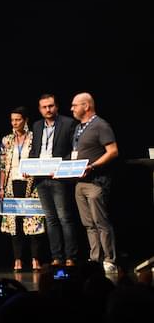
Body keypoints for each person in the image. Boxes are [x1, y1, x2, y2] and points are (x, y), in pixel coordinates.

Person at [70, 92, 119, 273]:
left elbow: (113, 151)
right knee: (88, 223)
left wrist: (94, 166)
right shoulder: (78, 128)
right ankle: (95, 258)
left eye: (75, 105)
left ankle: (109, 259)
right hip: (79, 183)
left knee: (101, 222)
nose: (72, 108)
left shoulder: (100, 125)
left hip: (96, 182)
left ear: (86, 106)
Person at [29, 94, 79, 266]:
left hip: (58, 177)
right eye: (44, 107)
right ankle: (56, 257)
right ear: (40, 109)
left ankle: (70, 257)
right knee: (50, 219)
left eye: (50, 106)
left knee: (64, 217)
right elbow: (35, 150)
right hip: (41, 177)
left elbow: (73, 151)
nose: (48, 110)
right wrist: (28, 167)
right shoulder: (36, 126)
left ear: (56, 107)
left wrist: (59, 166)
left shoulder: (68, 123)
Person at [0, 107, 44, 271]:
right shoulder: (7, 140)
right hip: (12, 183)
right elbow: (3, 166)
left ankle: (35, 258)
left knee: (33, 221)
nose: (15, 123)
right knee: (14, 222)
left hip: (31, 183)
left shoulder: (34, 137)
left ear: (25, 120)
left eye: (18, 119)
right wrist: (1, 187)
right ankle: (17, 259)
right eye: (12, 120)